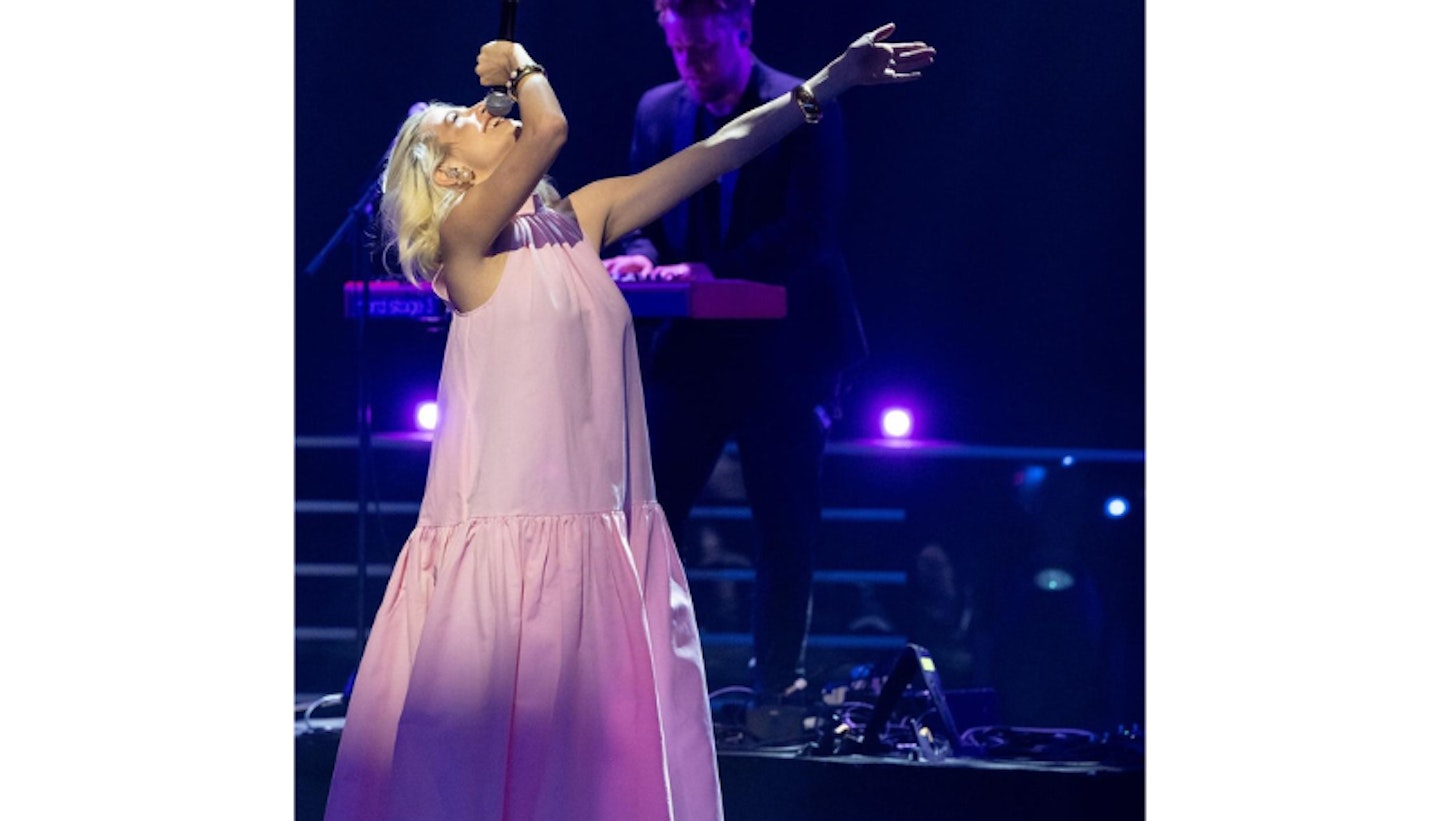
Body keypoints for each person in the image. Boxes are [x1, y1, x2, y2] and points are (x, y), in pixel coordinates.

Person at [323, 21, 935, 821]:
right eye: (463, 121)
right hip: (511, 552)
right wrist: (523, 65)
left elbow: (722, 149)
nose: (484, 111)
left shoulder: (578, 220)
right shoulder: (462, 250)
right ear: (446, 172)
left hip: (601, 542)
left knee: (589, 783)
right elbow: (549, 126)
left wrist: (828, 83)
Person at [601, 0, 873, 735]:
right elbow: (645, 213)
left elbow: (809, 232)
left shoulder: (802, 102)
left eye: (703, 49)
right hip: (693, 349)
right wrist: (647, 257)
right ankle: (639, 677)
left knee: (785, 524)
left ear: (741, 31)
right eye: (678, 48)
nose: (690, 64)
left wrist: (701, 269)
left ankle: (776, 686)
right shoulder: (657, 109)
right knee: (650, 515)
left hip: (784, 351)